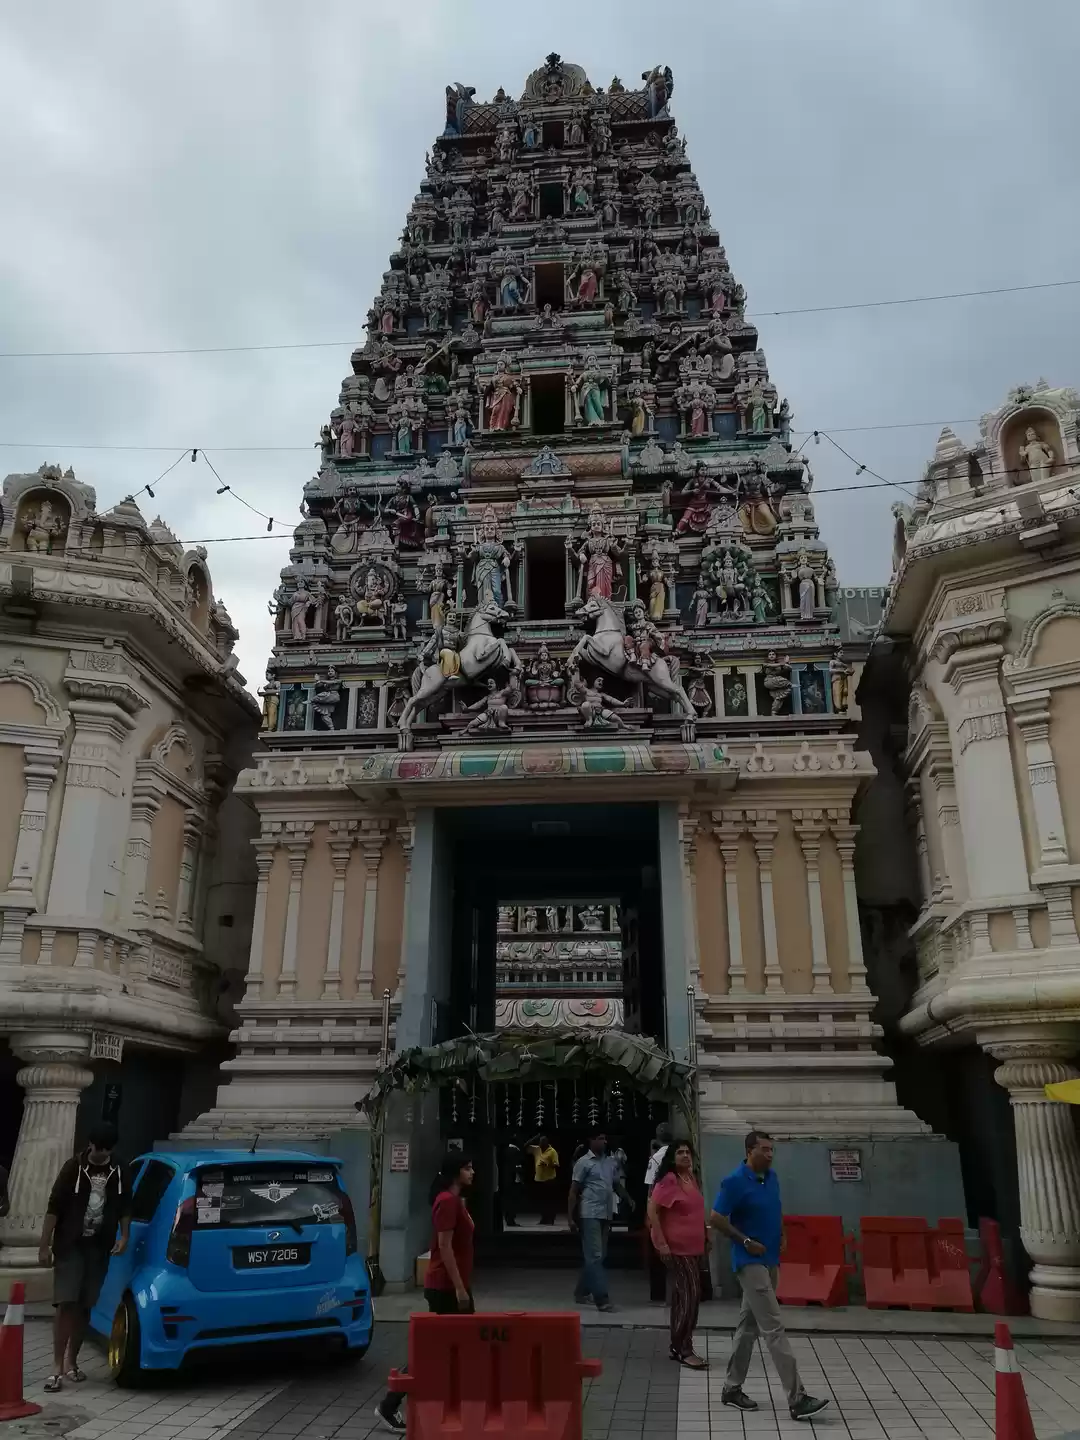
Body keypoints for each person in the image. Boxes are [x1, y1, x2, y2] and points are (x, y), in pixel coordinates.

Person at [710, 1131, 828, 1421]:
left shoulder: (771, 1178)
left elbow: (776, 1207)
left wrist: (783, 1233)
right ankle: (797, 1398)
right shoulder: (734, 1181)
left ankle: (731, 1388)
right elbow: (715, 1218)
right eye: (765, 1149)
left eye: (772, 1150)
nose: (770, 1155)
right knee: (773, 1327)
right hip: (749, 1262)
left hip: (770, 1259)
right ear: (749, 1151)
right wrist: (745, 1241)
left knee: (748, 1326)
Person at [375, 1152, 476, 1433]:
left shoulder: (454, 1200)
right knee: (442, 1348)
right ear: (455, 1172)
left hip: (452, 1285)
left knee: (449, 1348)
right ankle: (391, 1404)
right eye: (468, 1168)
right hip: (447, 1286)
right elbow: (444, 1247)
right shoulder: (448, 1201)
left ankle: (446, 1405)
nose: (472, 1172)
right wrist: (460, 1288)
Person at [38, 1123, 130, 1394]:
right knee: (66, 1302)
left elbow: (125, 1204)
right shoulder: (73, 1167)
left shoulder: (120, 1169)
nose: (102, 1154)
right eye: (98, 1149)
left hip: (99, 1246)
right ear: (90, 1144)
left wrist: (124, 1236)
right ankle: (56, 1366)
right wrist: (44, 1244)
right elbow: (54, 1206)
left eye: (107, 1150)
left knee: (85, 1305)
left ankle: (72, 1361)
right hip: (70, 1244)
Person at [648, 1140, 709, 1369]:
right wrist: (662, 1243)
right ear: (672, 1158)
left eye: (687, 1152)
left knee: (683, 1297)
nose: (685, 1156)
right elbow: (652, 1210)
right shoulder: (669, 1180)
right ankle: (684, 1348)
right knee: (690, 1296)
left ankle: (677, 1346)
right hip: (677, 1249)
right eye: (680, 1152)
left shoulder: (691, 1178)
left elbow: (695, 1211)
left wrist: (706, 1235)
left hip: (694, 1248)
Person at [568, 1129, 634, 1312]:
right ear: (591, 1141)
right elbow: (573, 1191)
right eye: (599, 1139)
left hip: (606, 1213)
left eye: (605, 1138)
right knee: (595, 1256)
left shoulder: (610, 1162)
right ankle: (601, 1298)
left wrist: (628, 1198)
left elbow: (616, 1184)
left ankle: (581, 1291)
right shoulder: (583, 1163)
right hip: (589, 1213)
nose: (603, 1142)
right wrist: (570, 1217)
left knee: (598, 1255)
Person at [645, 1122, 673, 1302]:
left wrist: (649, 1214)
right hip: (677, 1208)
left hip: (659, 1208)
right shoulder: (682, 1154)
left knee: (657, 1251)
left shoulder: (656, 1158)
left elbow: (650, 1188)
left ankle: (659, 1294)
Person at [526, 1134, 560, 1226]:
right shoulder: (537, 1149)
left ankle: (551, 1219)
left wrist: (547, 1164)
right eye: (540, 1143)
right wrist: (534, 1138)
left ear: (546, 1143)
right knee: (541, 1201)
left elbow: (556, 1165)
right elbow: (525, 1147)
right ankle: (544, 1218)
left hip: (549, 1180)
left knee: (549, 1201)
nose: (540, 1145)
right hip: (539, 1180)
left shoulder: (552, 1151)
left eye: (542, 1143)